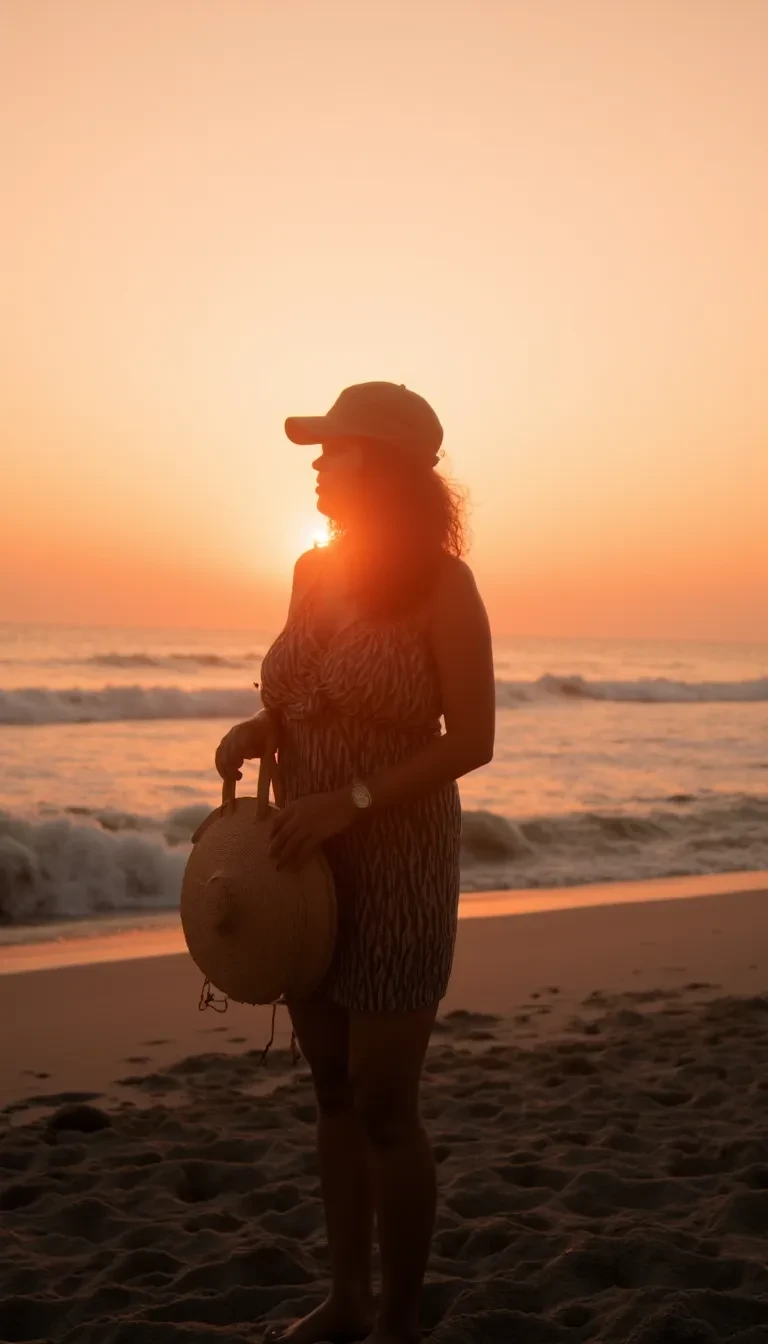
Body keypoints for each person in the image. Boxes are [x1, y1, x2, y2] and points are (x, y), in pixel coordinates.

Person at [215, 382, 495, 1344]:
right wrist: (258, 727)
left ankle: (401, 1324)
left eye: (335, 448)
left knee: (383, 1102)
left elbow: (474, 738)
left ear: (382, 464)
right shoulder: (308, 568)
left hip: (400, 860)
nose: (319, 463)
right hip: (306, 866)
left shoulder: (442, 585)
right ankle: (346, 1299)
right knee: (330, 1089)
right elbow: (303, 700)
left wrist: (354, 802)